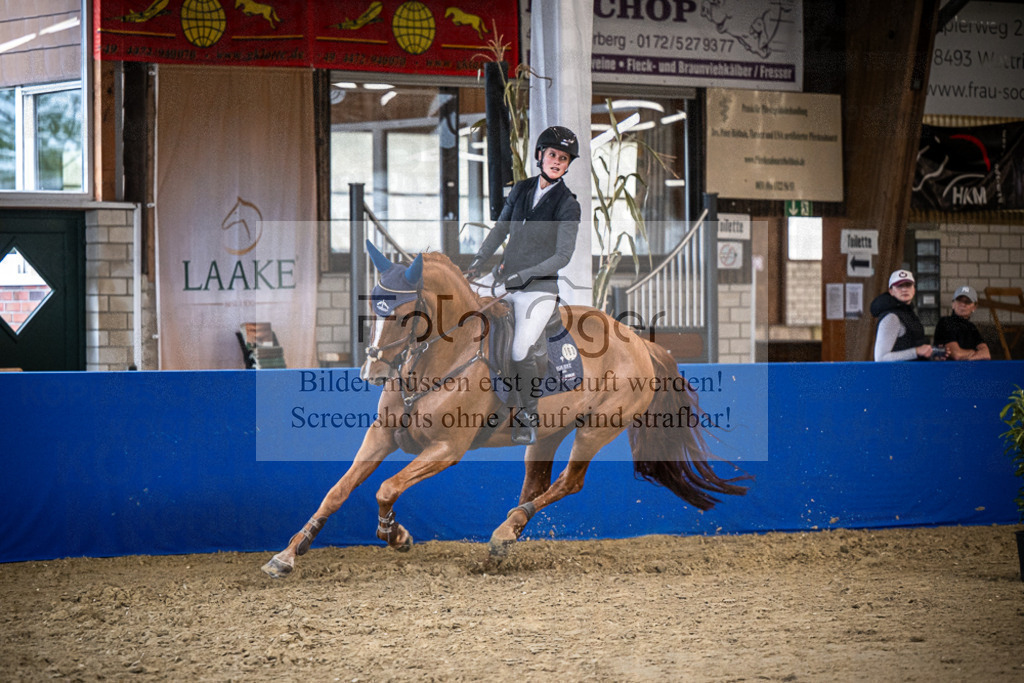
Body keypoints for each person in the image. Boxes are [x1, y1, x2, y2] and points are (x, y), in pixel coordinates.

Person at [465, 126, 582, 444]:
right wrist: (478, 263)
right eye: (553, 155)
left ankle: (527, 415)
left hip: (539, 289)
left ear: (568, 164)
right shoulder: (520, 190)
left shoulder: (568, 205)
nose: (557, 161)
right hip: (503, 278)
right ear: (540, 156)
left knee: (519, 350)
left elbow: (562, 256)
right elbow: (500, 230)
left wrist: (525, 277)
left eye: (564, 158)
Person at [871, 269, 936, 361]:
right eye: (899, 286)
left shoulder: (909, 313)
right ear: (891, 291)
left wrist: (932, 354)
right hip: (896, 374)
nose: (904, 289)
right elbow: (881, 358)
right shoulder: (891, 317)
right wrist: (916, 351)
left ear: (914, 289)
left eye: (908, 285)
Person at [933, 285, 991, 360]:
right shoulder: (945, 322)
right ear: (953, 304)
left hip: (967, 370)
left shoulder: (972, 327)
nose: (963, 304)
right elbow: (957, 354)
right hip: (948, 370)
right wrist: (975, 352)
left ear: (974, 307)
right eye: (959, 300)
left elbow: (986, 354)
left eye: (968, 302)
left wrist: (968, 355)